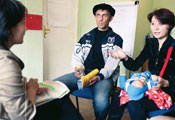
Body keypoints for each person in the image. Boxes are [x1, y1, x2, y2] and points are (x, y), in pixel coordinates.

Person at [0, 0, 83, 120]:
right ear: (9, 27)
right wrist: (31, 89)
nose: (26, 28)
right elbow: (23, 116)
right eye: (23, 23)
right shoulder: (7, 64)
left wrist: (24, 87)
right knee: (60, 101)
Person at [54, 3, 123, 120]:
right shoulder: (86, 36)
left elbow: (112, 64)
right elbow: (77, 56)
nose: (101, 19)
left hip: (104, 76)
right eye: (98, 15)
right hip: (84, 73)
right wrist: (78, 68)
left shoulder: (117, 39)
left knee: (101, 104)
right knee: (54, 87)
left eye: (104, 15)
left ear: (111, 18)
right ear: (95, 16)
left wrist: (99, 76)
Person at [109, 8, 175, 120]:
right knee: (117, 96)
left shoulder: (173, 47)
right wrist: (124, 57)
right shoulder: (151, 43)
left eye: (161, 24)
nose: (155, 28)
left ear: (169, 26)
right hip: (150, 88)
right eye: (153, 23)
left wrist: (166, 83)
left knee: (134, 103)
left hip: (168, 93)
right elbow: (134, 65)